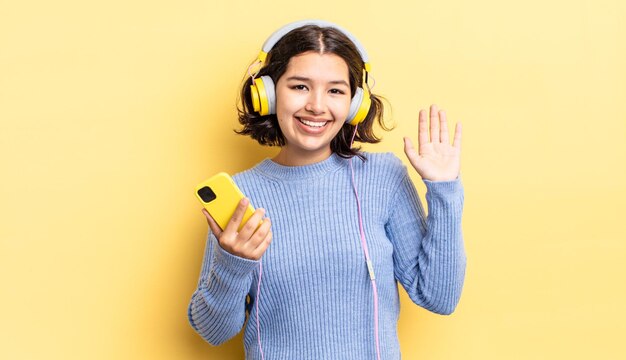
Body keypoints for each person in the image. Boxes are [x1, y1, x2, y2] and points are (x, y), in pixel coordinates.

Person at [187, 20, 466, 360]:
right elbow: (213, 331)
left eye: (335, 90)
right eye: (300, 86)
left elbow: (439, 297)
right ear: (269, 95)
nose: (317, 106)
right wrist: (234, 262)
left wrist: (444, 191)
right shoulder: (242, 194)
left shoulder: (383, 178)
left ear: (354, 103)